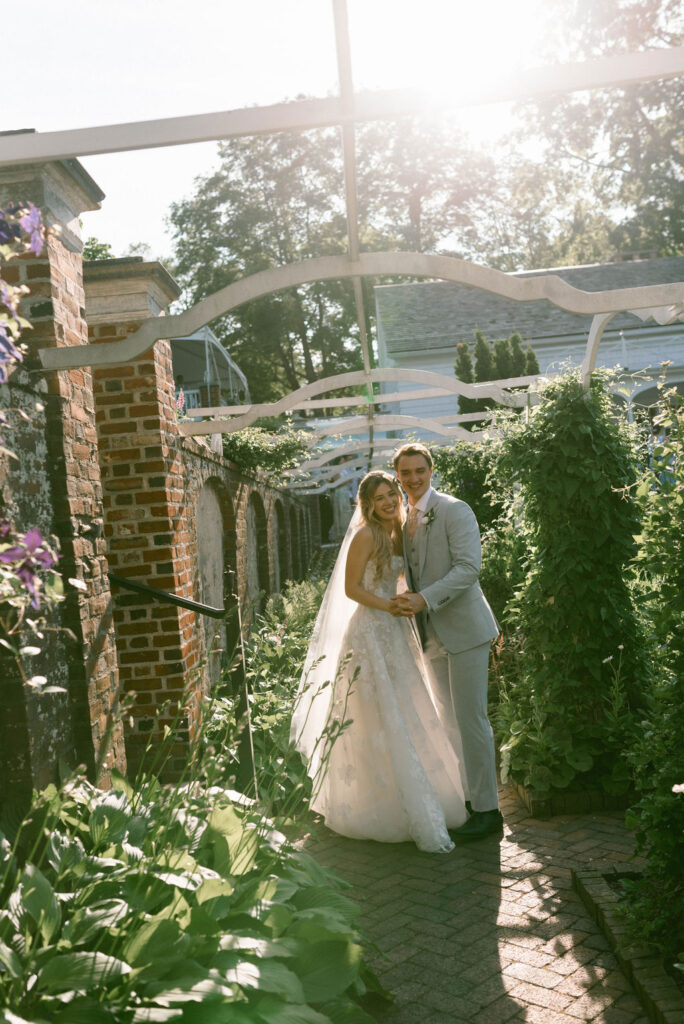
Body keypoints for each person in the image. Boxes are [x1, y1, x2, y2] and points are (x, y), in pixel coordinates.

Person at [290, 470, 467, 853]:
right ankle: (376, 805)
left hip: (396, 630)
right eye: (379, 498)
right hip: (369, 632)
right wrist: (388, 606)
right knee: (375, 713)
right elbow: (351, 588)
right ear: (368, 505)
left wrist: (405, 602)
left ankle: (420, 793)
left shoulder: (399, 532)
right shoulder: (366, 535)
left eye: (392, 494)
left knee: (406, 707)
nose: (388, 502)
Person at [392, 443, 503, 842]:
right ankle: (466, 801)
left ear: (431, 470)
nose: (413, 478)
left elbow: (469, 568)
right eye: (406, 473)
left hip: (466, 630)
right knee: (448, 721)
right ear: (398, 477)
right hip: (429, 634)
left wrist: (425, 598)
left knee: (472, 720)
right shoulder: (402, 519)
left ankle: (489, 811)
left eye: (419, 470)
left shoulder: (455, 510)